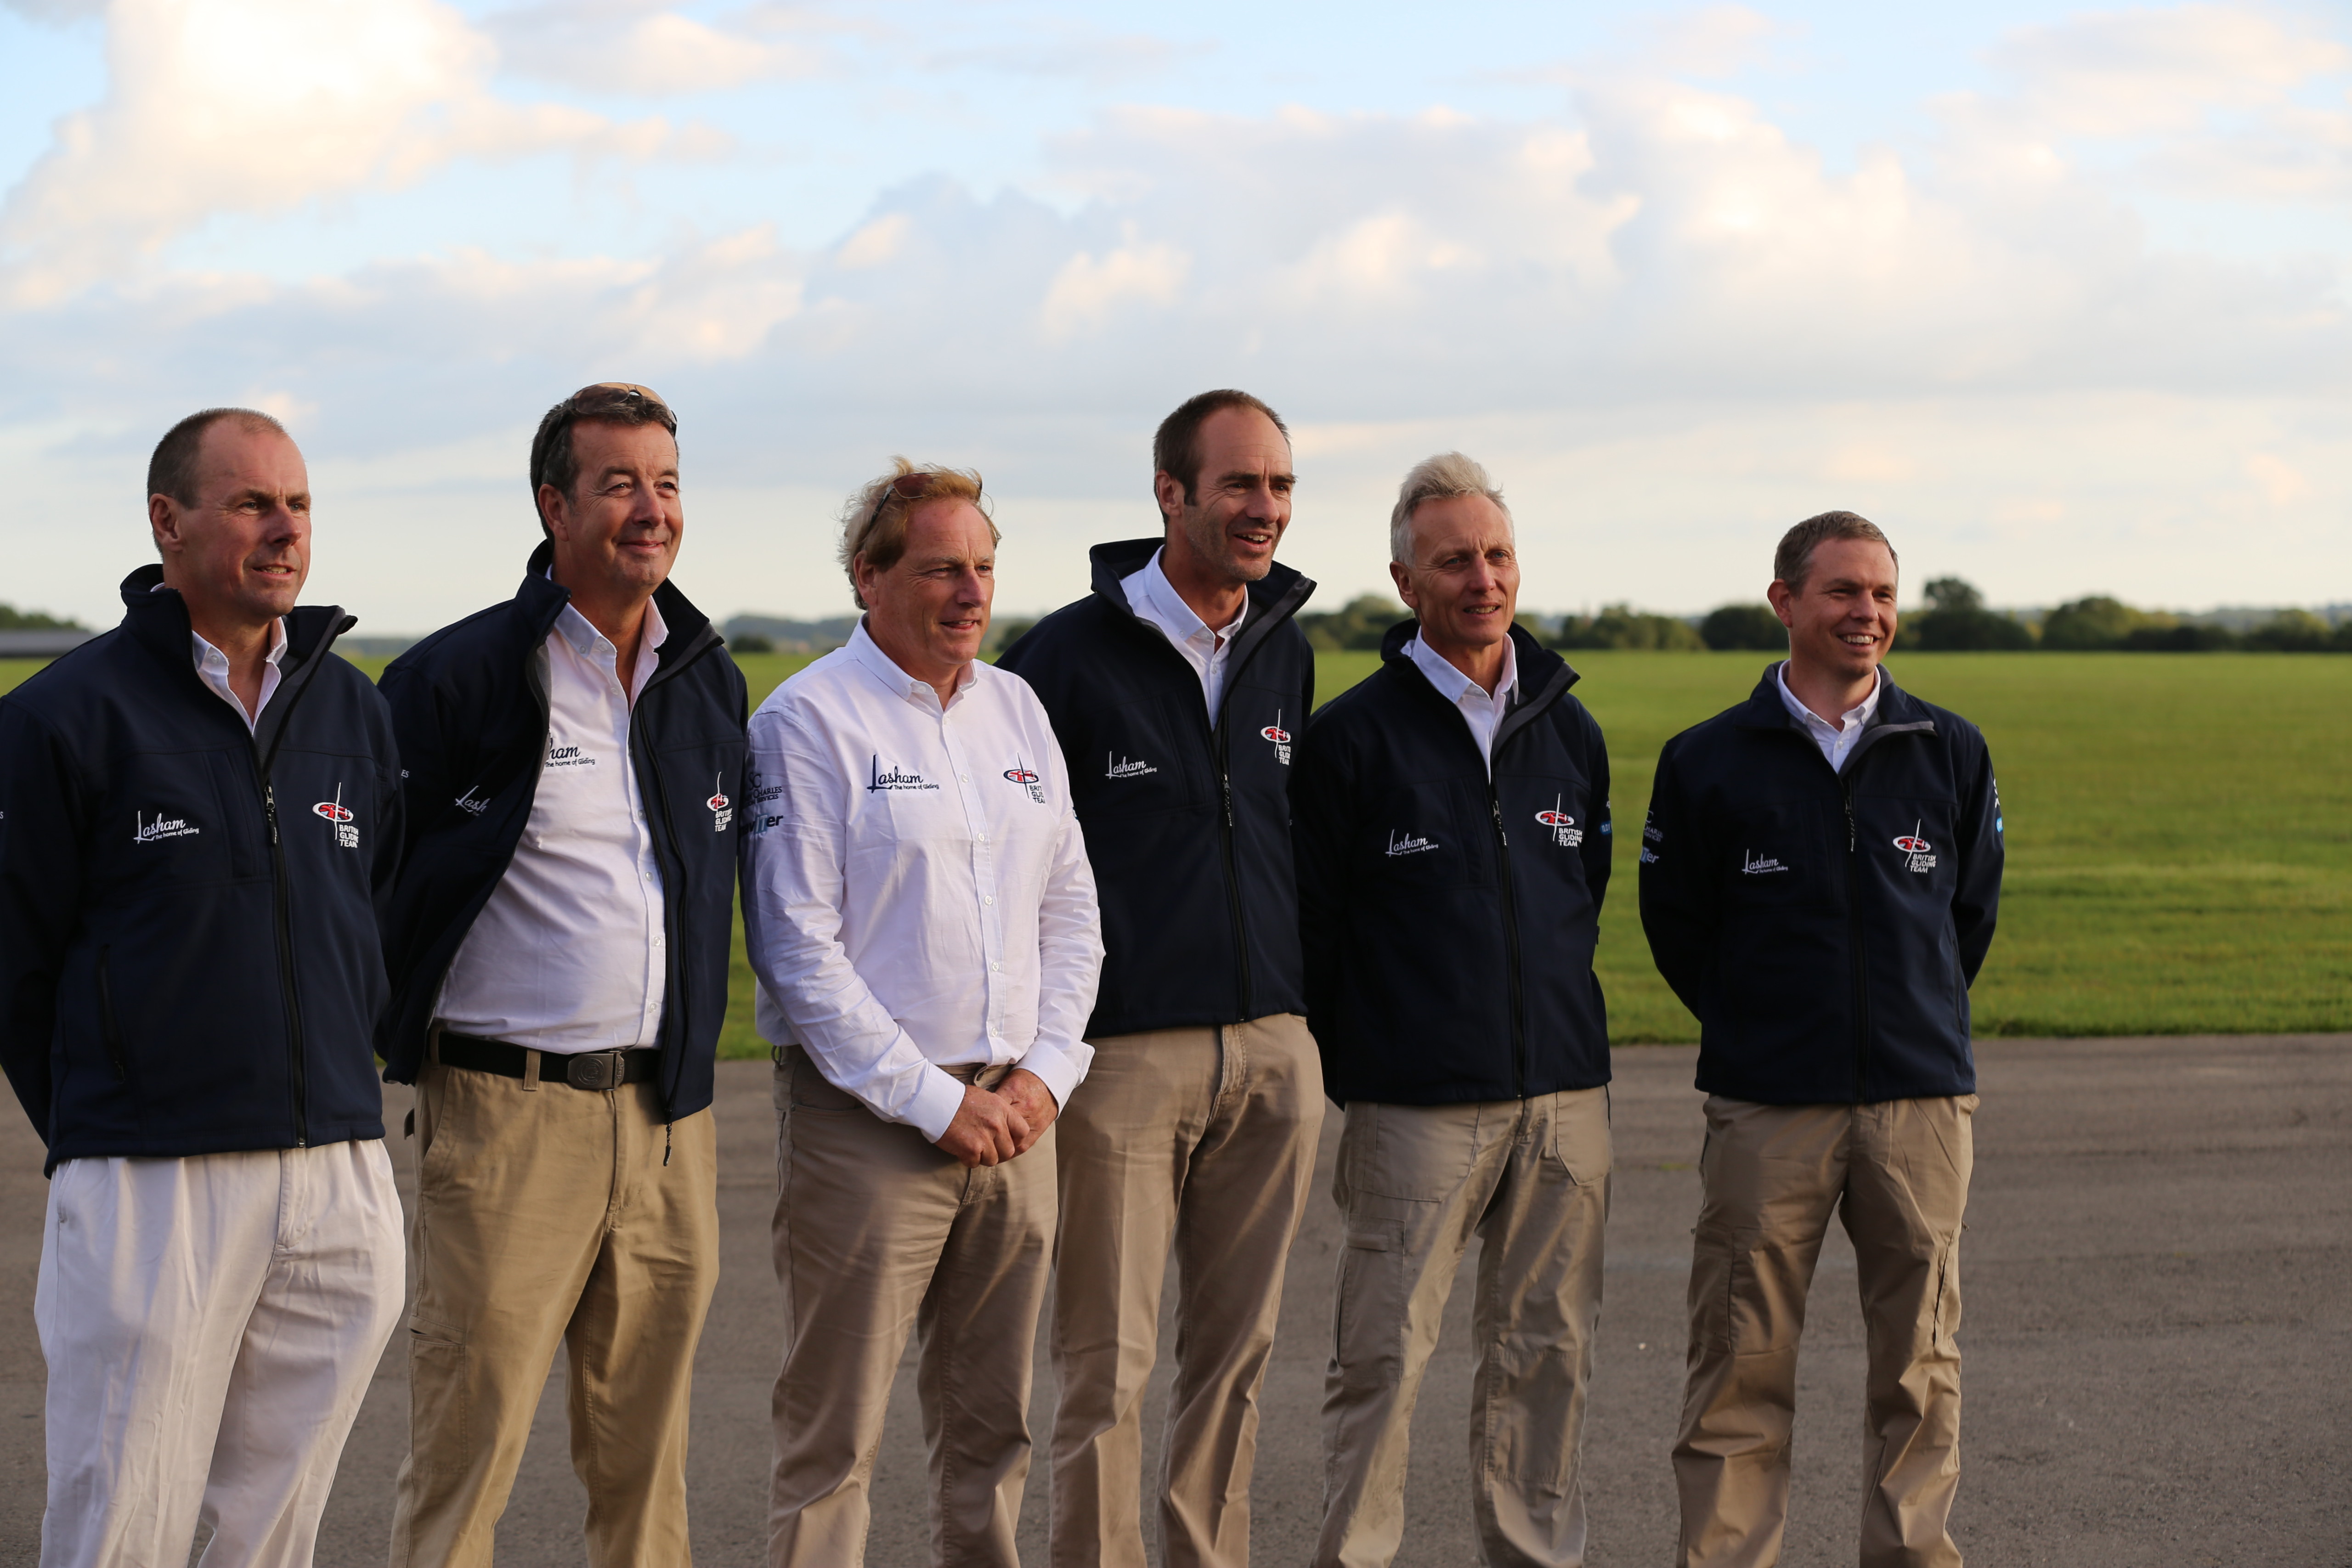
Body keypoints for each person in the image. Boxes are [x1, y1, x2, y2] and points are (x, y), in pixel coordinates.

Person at [0, 408, 406, 1568]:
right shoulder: (62, 716)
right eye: (252, 504)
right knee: (121, 1516)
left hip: (336, 1169)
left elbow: (372, 912)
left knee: (275, 1526)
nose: (285, 530)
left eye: (299, 504)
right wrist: (111, 1121)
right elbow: (17, 965)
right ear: (166, 522)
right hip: (153, 1179)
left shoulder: (353, 708)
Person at [376, 383, 747, 1567]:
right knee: (467, 1448)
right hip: (507, 1116)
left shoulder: (705, 677)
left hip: (668, 1126)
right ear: (554, 506)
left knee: (647, 1467)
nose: (652, 509)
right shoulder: (457, 678)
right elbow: (370, 886)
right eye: (620, 484)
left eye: (667, 484)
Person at [744, 460, 1103, 1568]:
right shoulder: (806, 720)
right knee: (833, 1438)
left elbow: (1070, 909)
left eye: (984, 567)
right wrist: (934, 1103)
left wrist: (1047, 1072)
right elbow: (796, 949)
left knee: (992, 1430)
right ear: (870, 576)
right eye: (943, 568)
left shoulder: (1017, 707)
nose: (971, 591)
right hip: (870, 1125)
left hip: (1017, 1119)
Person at [996, 387, 1323, 1568]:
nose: (1264, 507)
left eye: (1279, 485)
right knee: (1108, 1361)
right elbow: (1014, 862)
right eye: (1239, 484)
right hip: (1123, 1054)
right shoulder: (1063, 659)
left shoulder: (1285, 648)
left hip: (1274, 1047)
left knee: (1237, 1358)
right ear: (1170, 494)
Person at [1640, 510, 2004, 1568]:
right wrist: (1761, 1026)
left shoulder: (1950, 749)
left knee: (1920, 1366)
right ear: (1785, 602)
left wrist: (1907, 1017)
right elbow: (1679, 929)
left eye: (1882, 594)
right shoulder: (1706, 759)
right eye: (1843, 591)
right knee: (1738, 1363)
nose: (1867, 613)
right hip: (1769, 1106)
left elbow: (1967, 920)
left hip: (1918, 1104)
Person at [1290, 452, 1614, 1568]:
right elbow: (1314, 932)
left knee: (1547, 1354)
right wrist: (1372, 1065)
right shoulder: (1351, 738)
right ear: (1404, 581)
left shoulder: (1568, 727)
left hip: (1564, 1100)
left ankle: (1532, 1553)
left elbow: (1581, 899)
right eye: (1454, 561)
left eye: (1498, 555)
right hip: (1415, 1107)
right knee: (1382, 1359)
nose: (1483, 579)